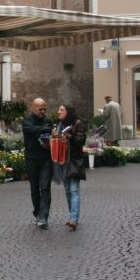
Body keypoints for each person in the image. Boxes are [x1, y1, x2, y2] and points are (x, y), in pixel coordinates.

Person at [51, 104, 86, 231]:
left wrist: (70, 137)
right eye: (59, 109)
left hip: (74, 161)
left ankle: (73, 219)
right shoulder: (60, 125)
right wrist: (56, 136)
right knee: (67, 191)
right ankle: (73, 215)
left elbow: (81, 140)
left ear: (68, 112)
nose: (58, 111)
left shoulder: (77, 123)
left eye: (61, 110)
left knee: (74, 190)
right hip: (63, 160)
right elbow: (60, 141)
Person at [23, 98, 53, 229]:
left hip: (46, 158)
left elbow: (49, 130)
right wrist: (45, 129)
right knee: (34, 189)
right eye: (40, 109)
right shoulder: (27, 120)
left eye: (44, 109)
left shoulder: (48, 120)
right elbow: (32, 130)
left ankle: (43, 216)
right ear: (33, 108)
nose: (43, 111)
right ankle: (37, 212)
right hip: (31, 158)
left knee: (45, 187)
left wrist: (47, 129)